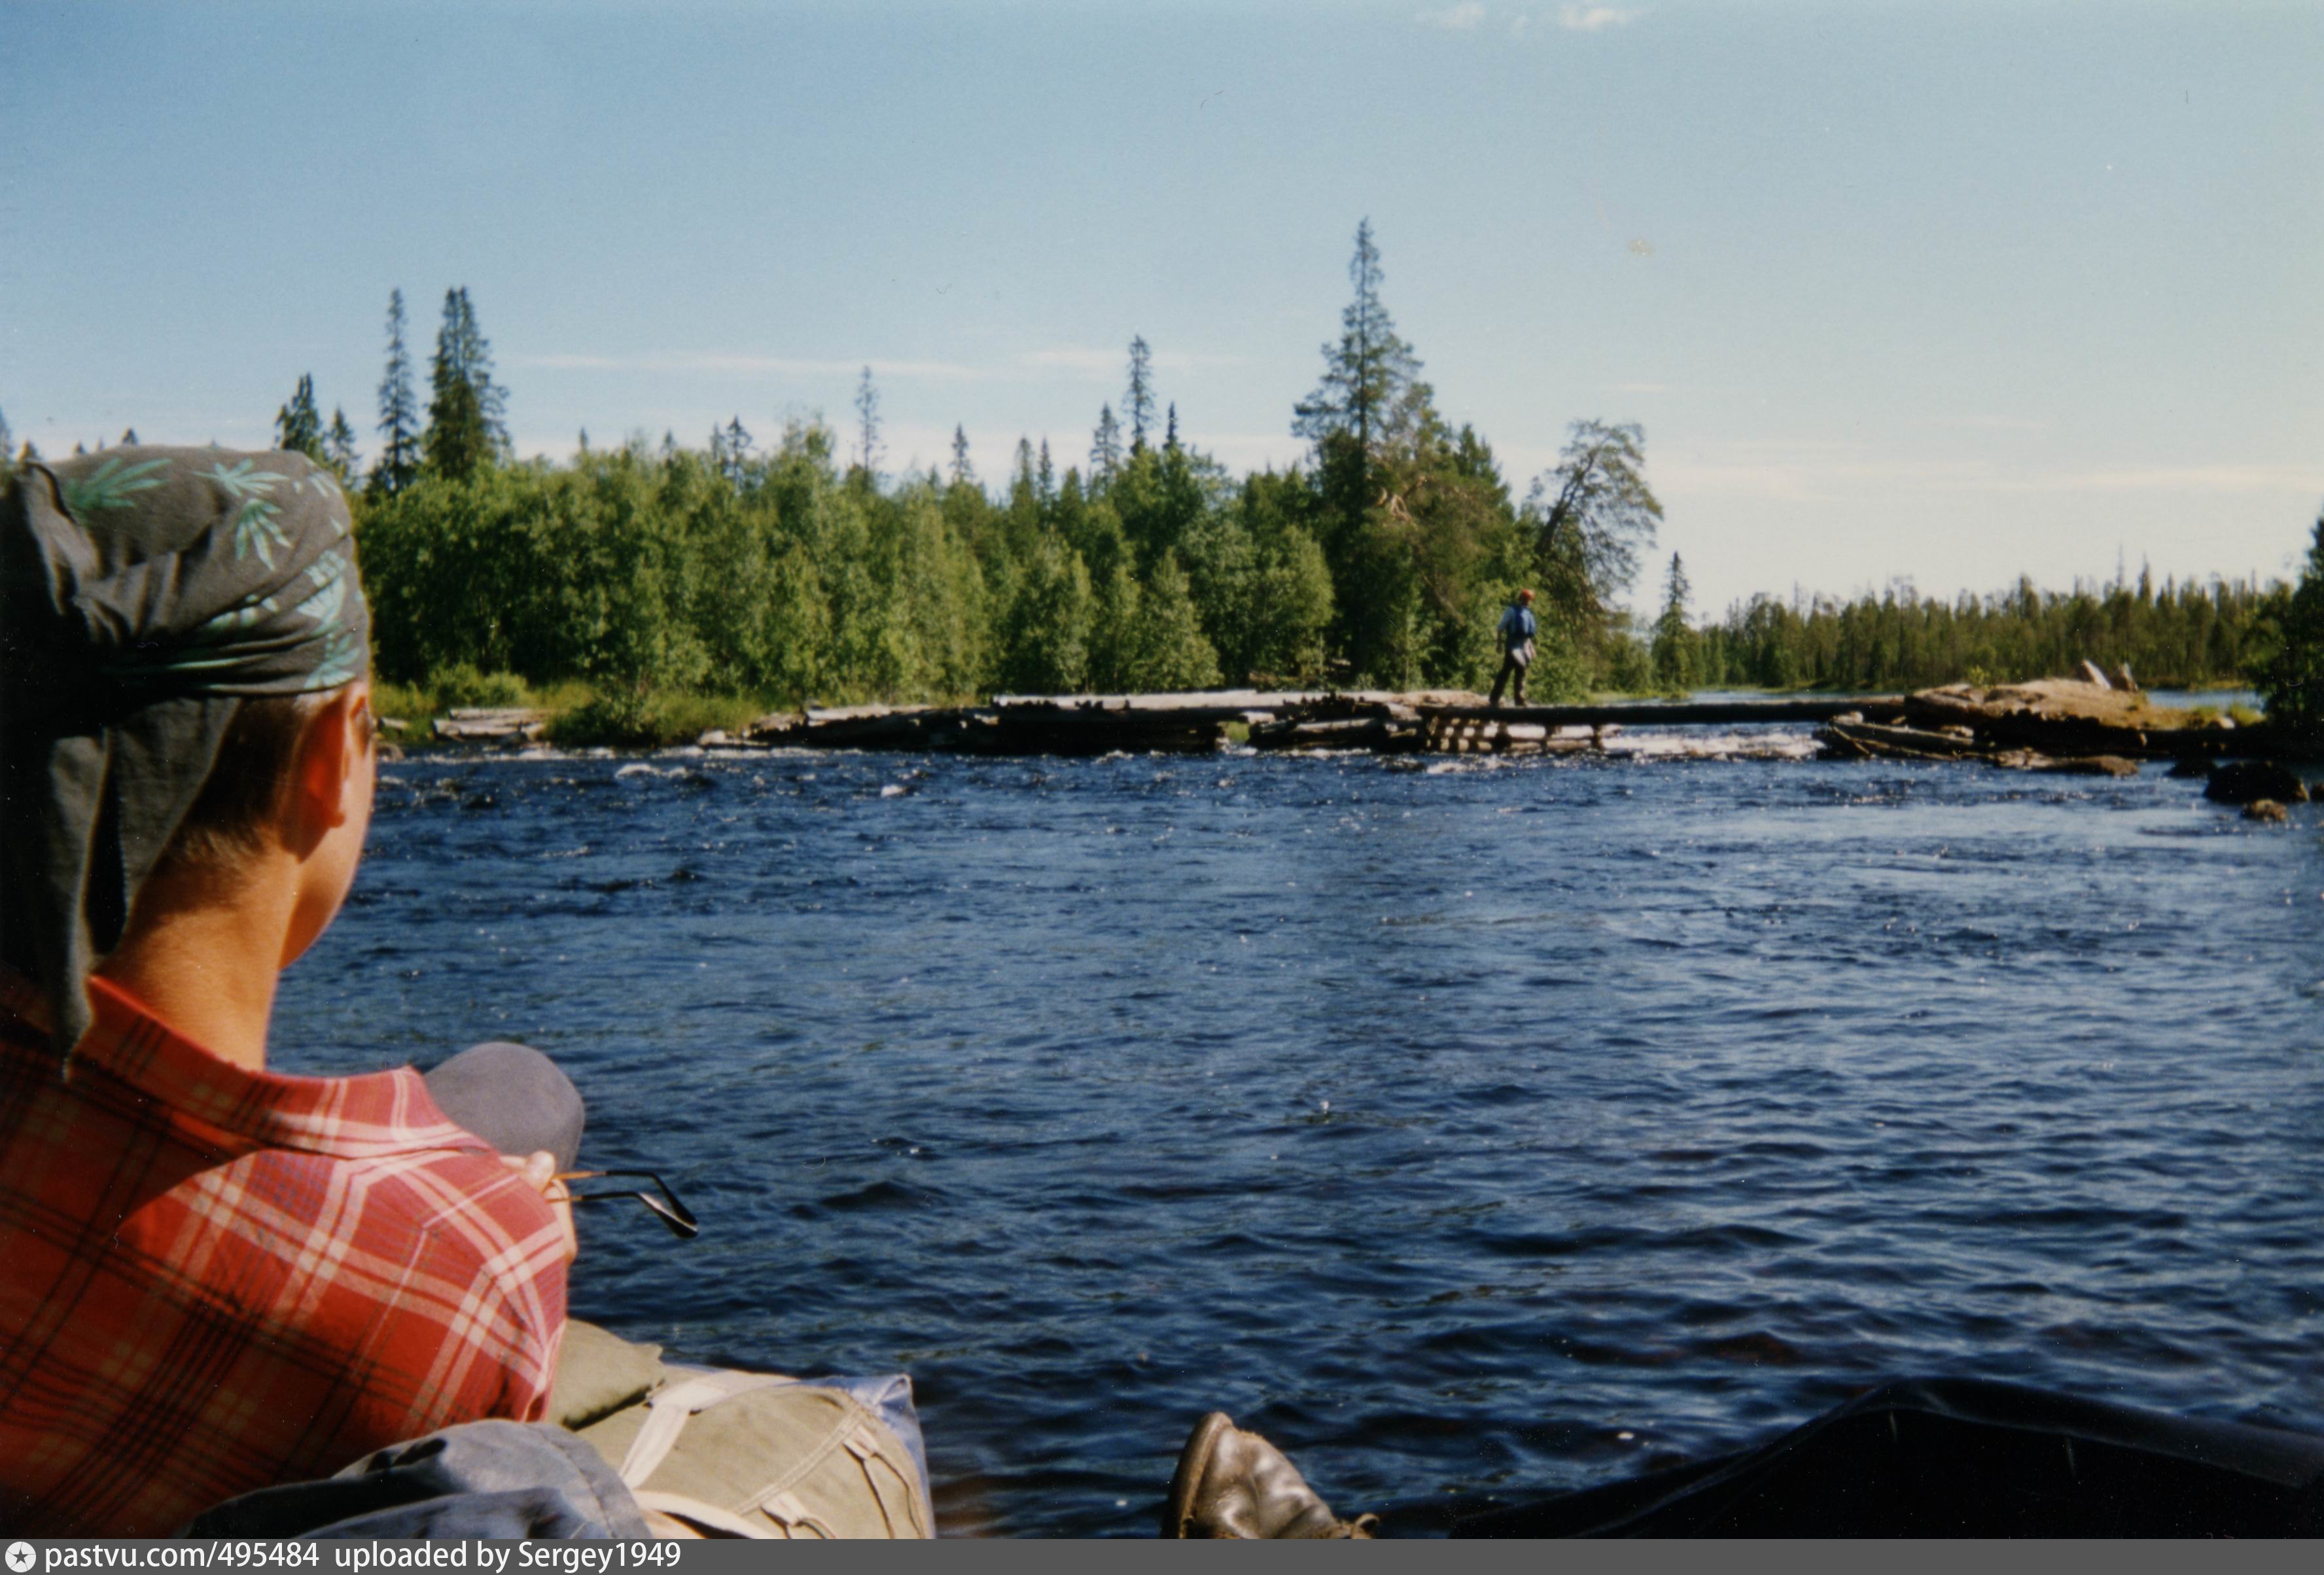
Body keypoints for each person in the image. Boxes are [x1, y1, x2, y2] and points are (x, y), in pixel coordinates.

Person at [0, 448, 578, 1536]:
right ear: (329, 755)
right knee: (530, 1094)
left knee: (511, 1090)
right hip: (430, 1234)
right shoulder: (472, 1268)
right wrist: (505, 1225)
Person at [1487, 588, 1537, 707]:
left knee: (1520, 672)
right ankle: (1495, 699)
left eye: (1529, 599)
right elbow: (1500, 628)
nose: (1528, 601)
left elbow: (1526, 635)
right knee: (1507, 672)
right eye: (1526, 599)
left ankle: (1518, 700)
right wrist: (1499, 645)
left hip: (1524, 648)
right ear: (1521, 599)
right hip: (1512, 647)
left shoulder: (1528, 613)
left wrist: (1532, 648)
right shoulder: (1511, 611)